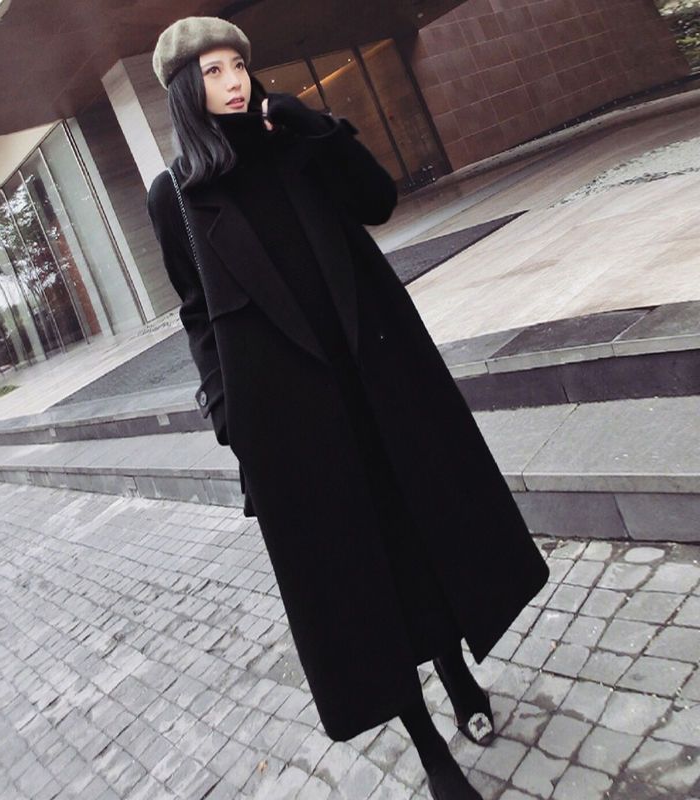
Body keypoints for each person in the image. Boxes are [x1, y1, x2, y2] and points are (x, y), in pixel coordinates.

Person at [147, 16, 550, 799]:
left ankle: (457, 674)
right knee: (359, 580)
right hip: (294, 425)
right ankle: (428, 747)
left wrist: (318, 127)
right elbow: (197, 313)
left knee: (420, 535)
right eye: (213, 72)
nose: (233, 82)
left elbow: (377, 201)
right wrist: (229, 416)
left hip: (381, 385)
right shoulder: (178, 197)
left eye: (238, 65)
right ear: (185, 91)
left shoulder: (294, 144)